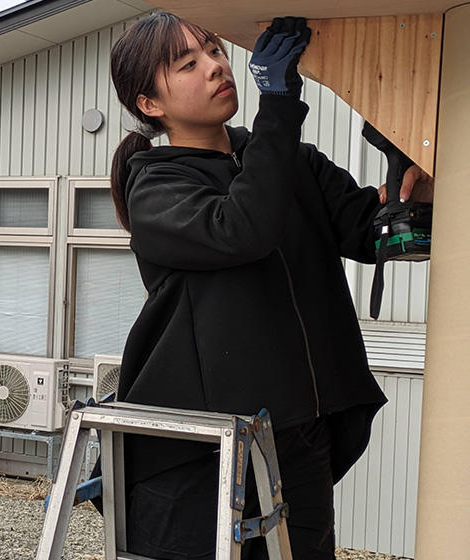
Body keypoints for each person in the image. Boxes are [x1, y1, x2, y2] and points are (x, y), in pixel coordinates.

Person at [108, 13, 434, 559]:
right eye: (189, 63)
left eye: (214, 51)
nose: (215, 67)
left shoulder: (291, 162)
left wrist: (412, 188)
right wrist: (279, 107)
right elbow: (242, 230)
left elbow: (369, 232)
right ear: (150, 104)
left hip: (297, 433)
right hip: (201, 448)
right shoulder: (157, 186)